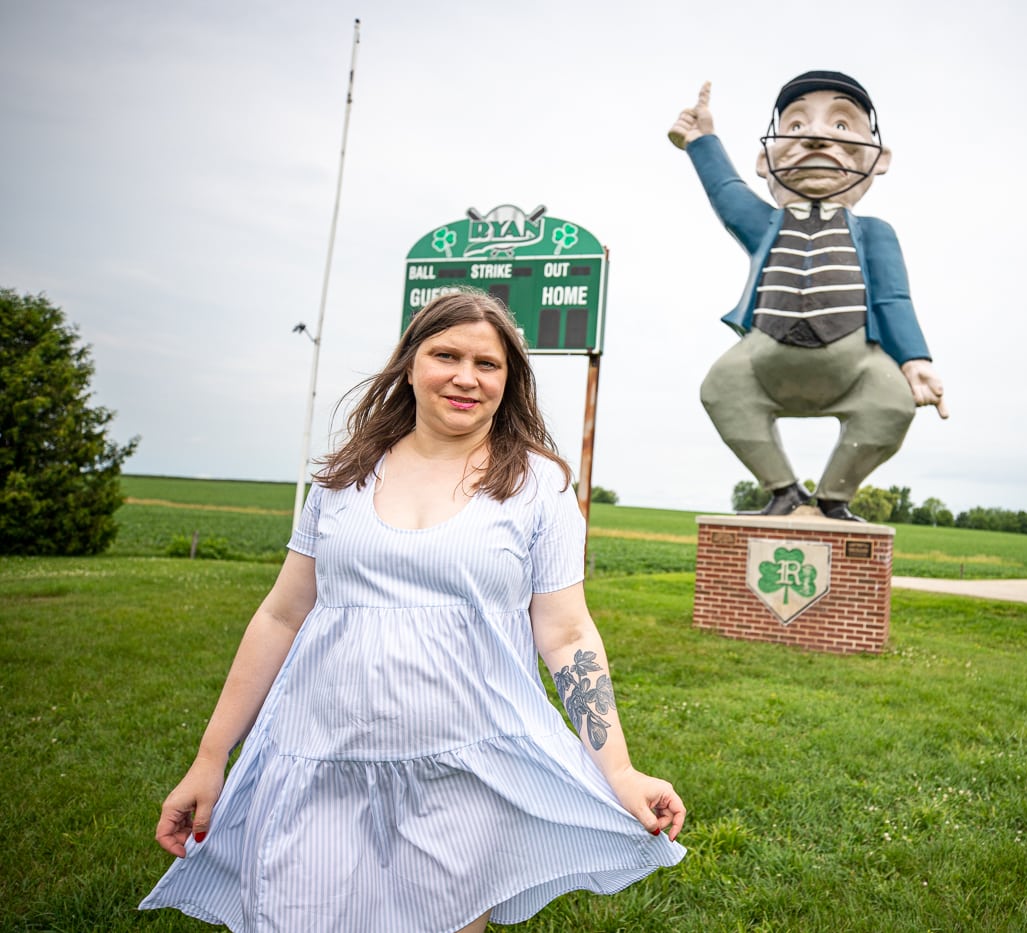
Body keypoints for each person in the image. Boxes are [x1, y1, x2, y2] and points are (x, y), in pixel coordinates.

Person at [140, 289, 686, 932]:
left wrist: (617, 770)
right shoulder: (344, 478)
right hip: (318, 759)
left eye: (488, 364)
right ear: (409, 364)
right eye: (446, 355)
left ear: (510, 383)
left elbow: (566, 634)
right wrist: (210, 758)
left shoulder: (539, 487)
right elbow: (280, 617)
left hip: (465, 769)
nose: (465, 377)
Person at [669, 71, 948, 521]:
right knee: (722, 387)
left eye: (840, 125)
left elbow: (894, 298)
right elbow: (727, 192)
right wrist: (702, 140)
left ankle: (834, 496)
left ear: (880, 158)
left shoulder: (875, 233)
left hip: (855, 358)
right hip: (765, 354)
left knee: (892, 402)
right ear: (765, 160)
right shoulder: (765, 225)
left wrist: (916, 360)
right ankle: (784, 491)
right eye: (796, 126)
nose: (817, 137)